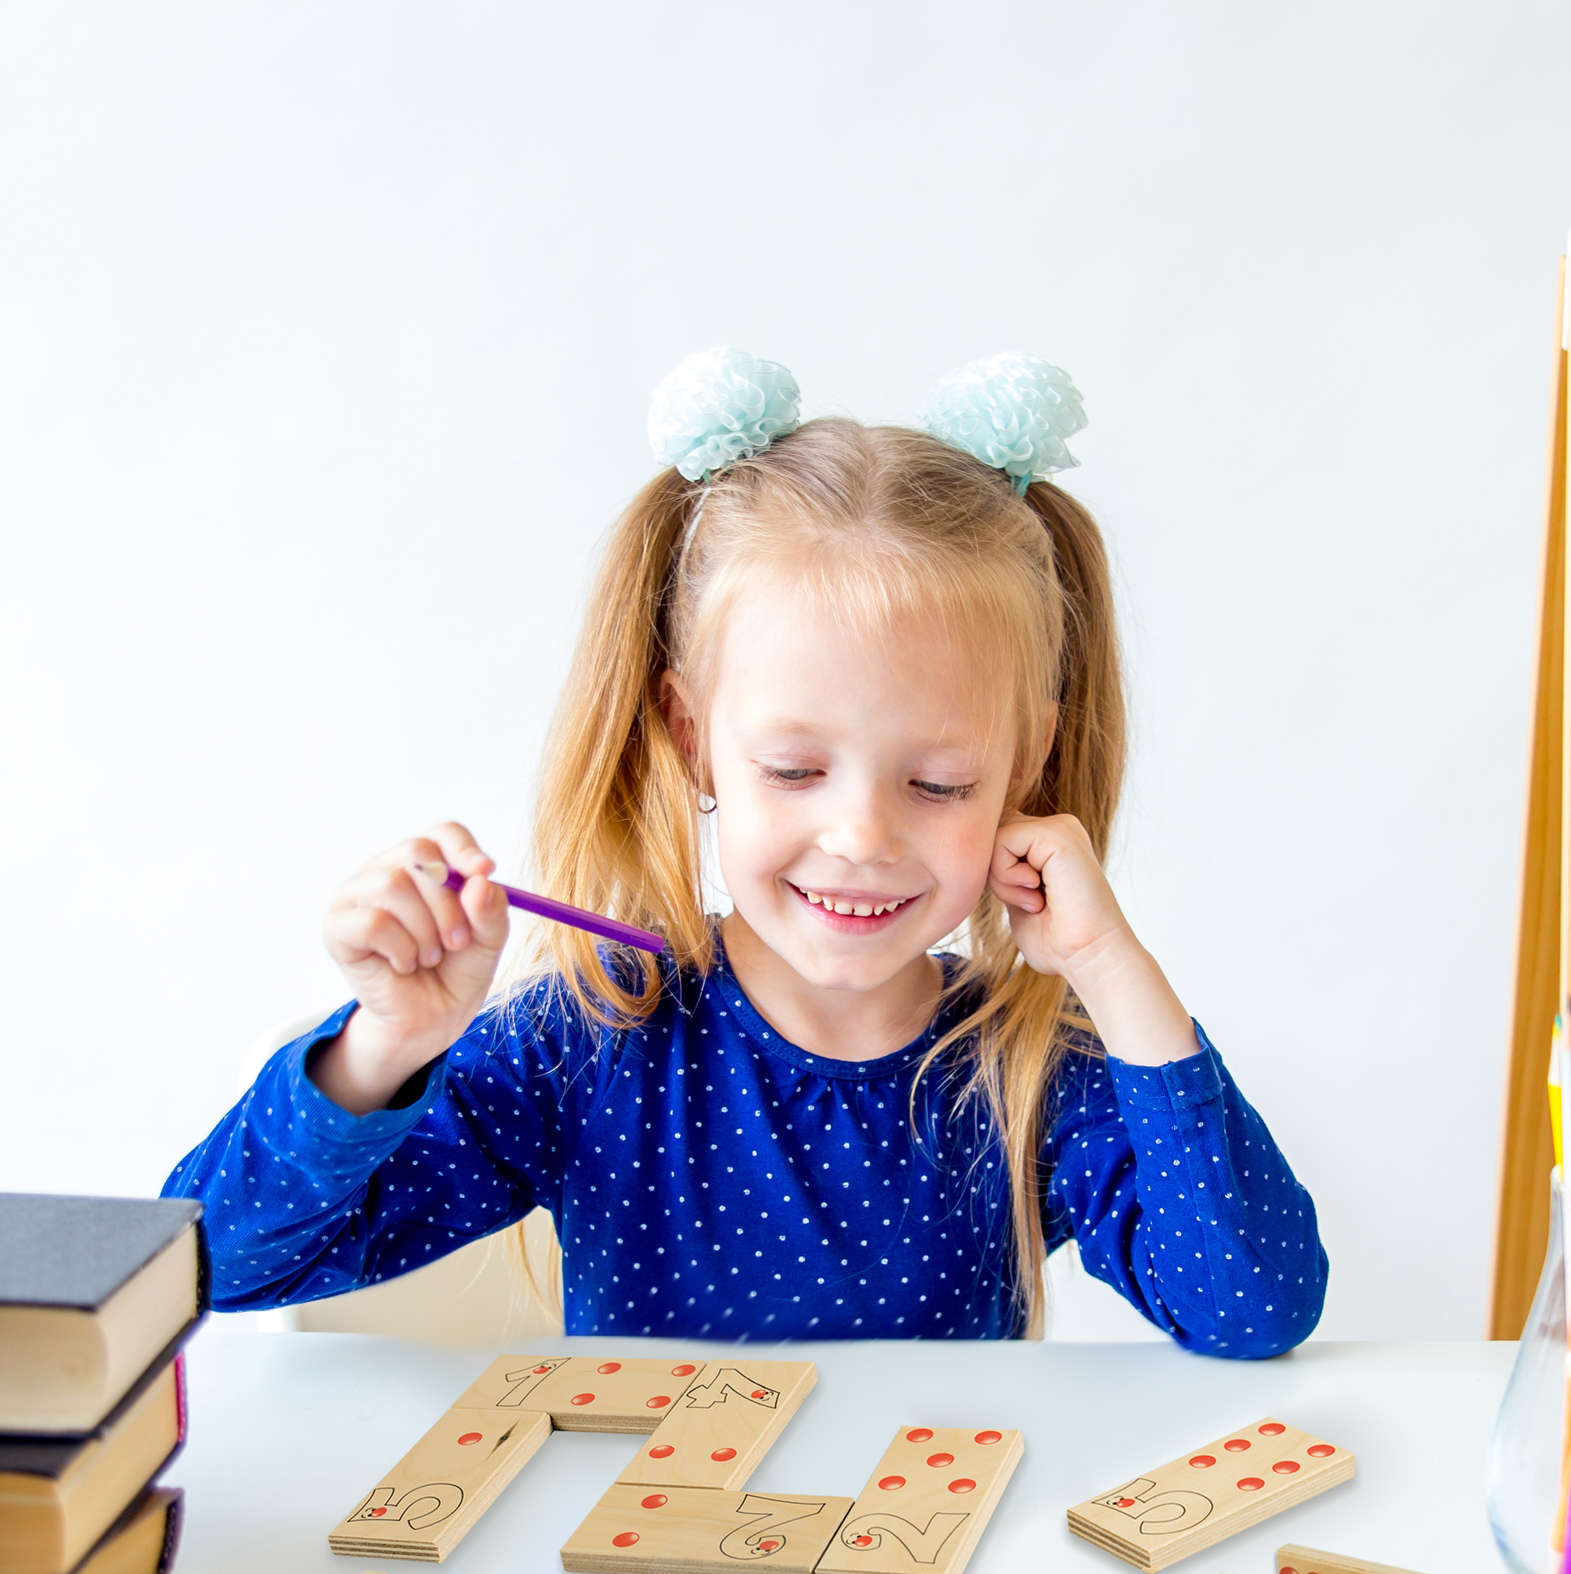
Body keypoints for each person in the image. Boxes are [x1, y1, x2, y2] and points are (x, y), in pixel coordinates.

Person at [164, 349, 1327, 1353]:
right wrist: (384, 1046)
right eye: (793, 769)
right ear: (691, 739)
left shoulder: (1029, 1061)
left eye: (938, 782)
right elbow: (205, 1264)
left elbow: (1252, 1307)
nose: (862, 834)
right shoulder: (592, 1040)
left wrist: (1110, 966)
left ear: (1024, 765)